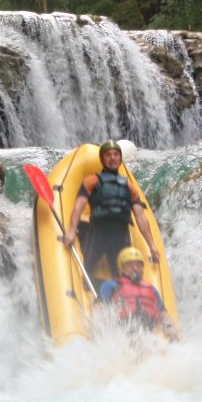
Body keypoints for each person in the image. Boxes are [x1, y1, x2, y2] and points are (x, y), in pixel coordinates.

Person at [62, 140, 160, 286]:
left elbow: (140, 217)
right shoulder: (92, 181)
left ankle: (118, 294)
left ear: (120, 159)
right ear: (102, 159)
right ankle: (92, 292)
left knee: (123, 276)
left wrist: (151, 245)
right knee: (87, 269)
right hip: (98, 230)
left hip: (121, 232)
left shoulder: (129, 187)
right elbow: (78, 207)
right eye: (108, 155)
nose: (112, 158)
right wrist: (71, 231)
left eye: (116, 155)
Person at [97, 247, 178, 340]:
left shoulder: (151, 289)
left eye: (138, 265)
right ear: (121, 269)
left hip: (147, 333)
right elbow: (99, 310)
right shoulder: (111, 286)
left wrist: (172, 334)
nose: (135, 268)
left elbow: (163, 315)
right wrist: (102, 333)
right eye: (130, 265)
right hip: (123, 332)